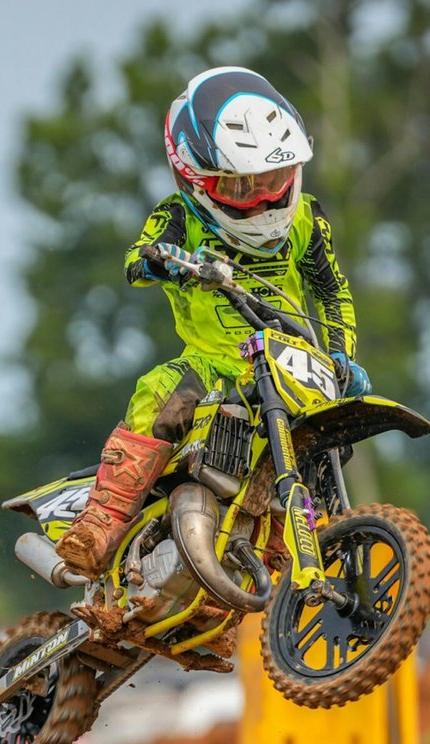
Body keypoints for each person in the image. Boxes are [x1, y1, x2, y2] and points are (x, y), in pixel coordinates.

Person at [55, 66, 371, 578]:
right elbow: (135, 261)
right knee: (158, 395)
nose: (264, 197)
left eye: (274, 180)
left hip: (291, 362)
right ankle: (101, 521)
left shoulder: (307, 220)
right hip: (213, 365)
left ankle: (282, 556)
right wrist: (169, 262)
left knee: (326, 442)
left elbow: (332, 291)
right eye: (243, 186)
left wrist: (341, 356)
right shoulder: (180, 217)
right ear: (198, 181)